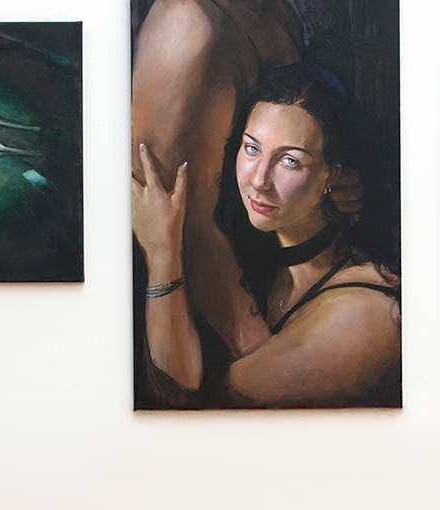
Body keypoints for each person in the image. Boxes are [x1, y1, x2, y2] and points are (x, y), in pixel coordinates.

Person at [131, 65, 399, 408]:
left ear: (332, 176)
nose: (259, 180)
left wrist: (162, 253)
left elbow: (188, 404)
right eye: (252, 148)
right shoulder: (267, 258)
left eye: (289, 161)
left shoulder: (361, 316)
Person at [131, 0, 303, 354]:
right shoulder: (187, 26)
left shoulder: (277, 12)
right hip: (234, 313)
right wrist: (257, 352)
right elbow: (187, 223)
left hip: (299, 280)